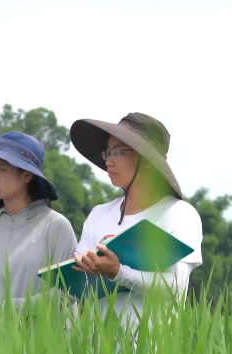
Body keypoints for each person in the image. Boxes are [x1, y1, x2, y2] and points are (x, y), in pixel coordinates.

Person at [69, 112, 203, 332]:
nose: (108, 160)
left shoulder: (180, 215)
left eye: (119, 152)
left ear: (148, 161)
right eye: (108, 151)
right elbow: (77, 284)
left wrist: (118, 272)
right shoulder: (99, 215)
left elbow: (176, 287)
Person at [0, 131, 78, 323]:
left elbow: (66, 293)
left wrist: (3, 310)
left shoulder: (56, 226)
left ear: (26, 175)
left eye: (2, 169)